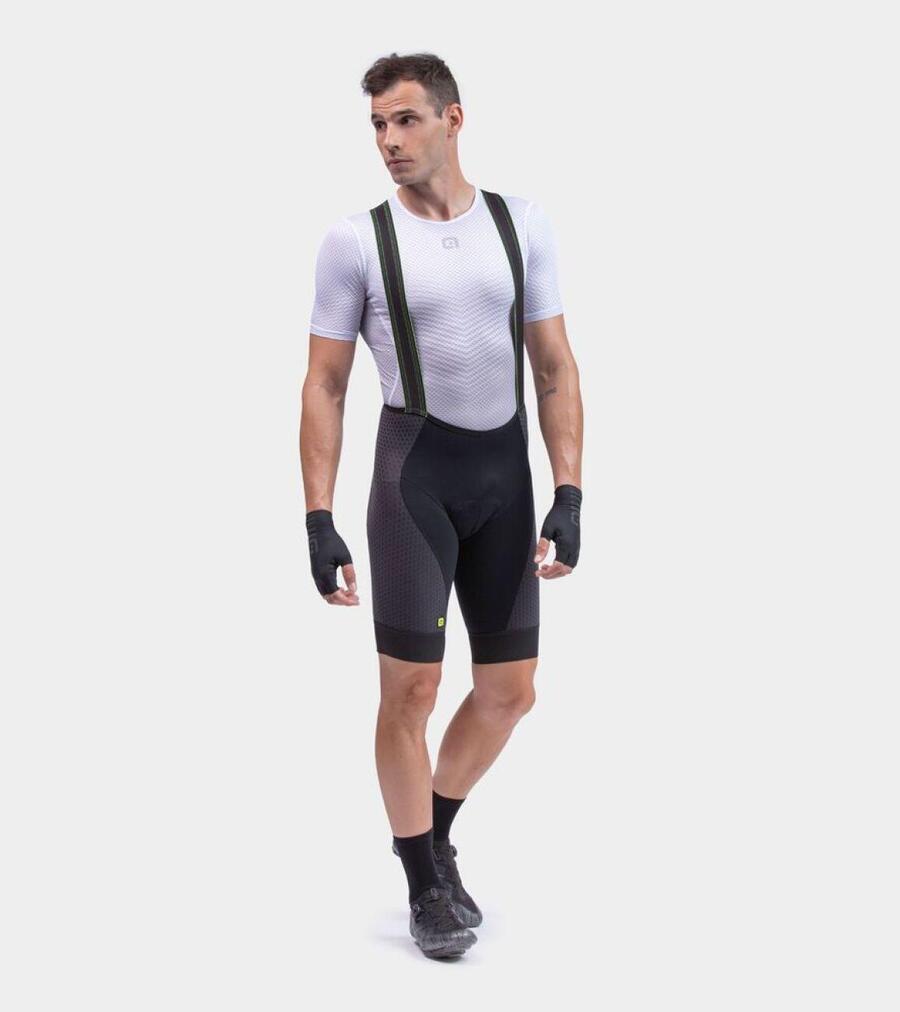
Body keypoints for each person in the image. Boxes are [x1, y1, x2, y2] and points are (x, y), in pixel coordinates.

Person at [299, 51, 584, 960]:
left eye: (406, 119)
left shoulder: (519, 224)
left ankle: (429, 834)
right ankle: (426, 881)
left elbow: (554, 366)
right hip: (413, 481)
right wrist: (317, 517)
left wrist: (570, 490)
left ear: (453, 118)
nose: (389, 140)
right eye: (378, 125)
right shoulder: (356, 241)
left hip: (505, 481)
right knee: (411, 690)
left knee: (510, 692)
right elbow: (325, 384)